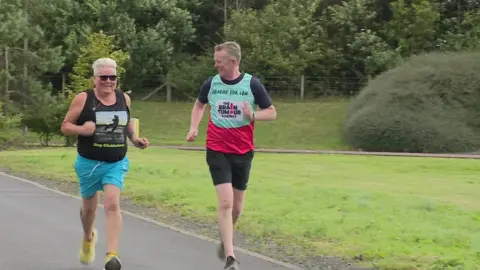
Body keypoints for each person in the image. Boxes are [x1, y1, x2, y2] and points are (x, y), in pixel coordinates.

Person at [186, 41, 277, 270]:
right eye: (215, 61)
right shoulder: (211, 83)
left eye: (219, 62)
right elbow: (199, 105)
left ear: (233, 62)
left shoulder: (252, 84)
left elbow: (272, 112)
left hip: (243, 152)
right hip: (217, 149)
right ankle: (230, 257)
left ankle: (225, 238)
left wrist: (253, 114)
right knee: (225, 203)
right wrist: (194, 127)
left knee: (236, 209)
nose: (216, 65)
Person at [61, 57, 149, 270]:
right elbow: (65, 126)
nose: (108, 81)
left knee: (111, 203)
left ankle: (112, 256)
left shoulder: (123, 99)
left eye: (113, 77)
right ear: (94, 79)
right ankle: (88, 237)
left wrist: (135, 139)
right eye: (104, 77)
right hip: (88, 163)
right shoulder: (83, 99)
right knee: (89, 210)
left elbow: (126, 123)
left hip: (115, 162)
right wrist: (83, 130)